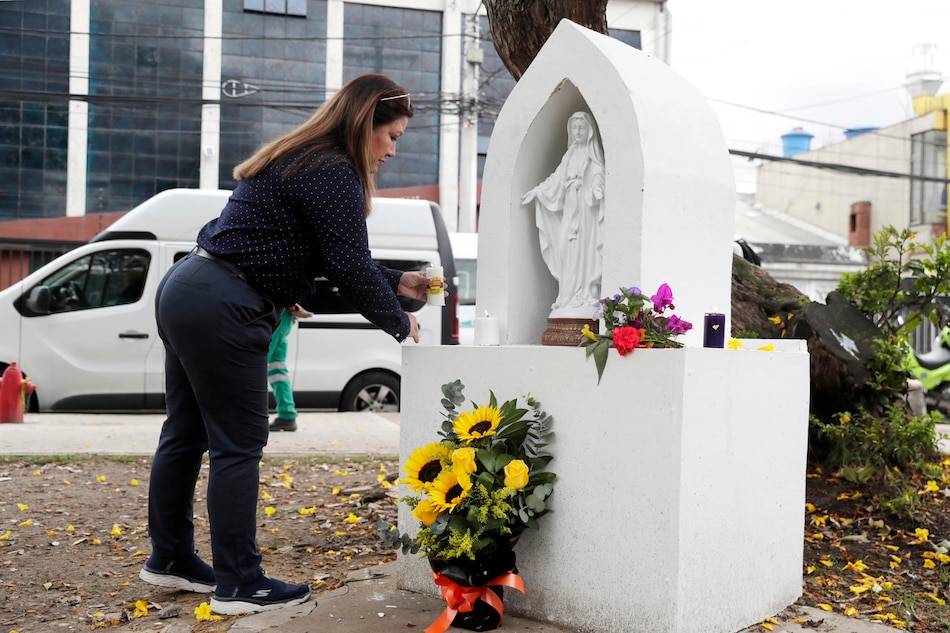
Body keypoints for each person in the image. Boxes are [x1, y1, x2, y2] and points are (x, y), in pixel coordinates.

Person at [139, 74, 427, 616]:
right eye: (392, 136)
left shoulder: (299, 156)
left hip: (190, 287)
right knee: (238, 443)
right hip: (225, 304)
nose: (392, 150)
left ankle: (171, 558)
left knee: (185, 433)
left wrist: (396, 282)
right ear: (365, 123)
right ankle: (239, 583)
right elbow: (343, 263)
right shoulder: (334, 170)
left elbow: (312, 257)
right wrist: (395, 318)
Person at [521, 111, 605, 318]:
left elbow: (598, 174)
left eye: (581, 128)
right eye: (574, 128)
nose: (577, 132)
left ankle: (586, 294)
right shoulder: (569, 155)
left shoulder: (591, 156)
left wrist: (597, 188)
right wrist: (538, 191)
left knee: (585, 249)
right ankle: (568, 294)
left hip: (586, 211)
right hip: (570, 208)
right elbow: (556, 179)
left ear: (590, 131)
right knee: (566, 248)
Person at [268, 303, 313, 432]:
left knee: (255, 365)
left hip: (274, 315)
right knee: (277, 370)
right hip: (285, 318)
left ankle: (247, 417)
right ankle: (287, 414)